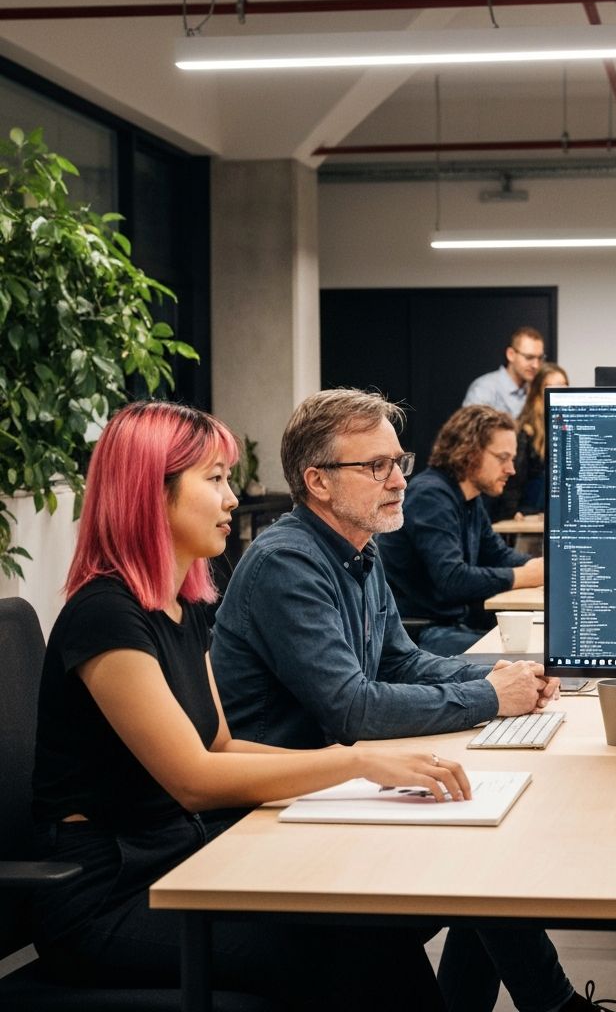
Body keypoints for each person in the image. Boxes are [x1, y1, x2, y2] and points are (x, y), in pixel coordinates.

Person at [30, 400, 472, 1008]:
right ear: (149, 494)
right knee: (361, 949)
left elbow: (222, 745)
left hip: (182, 863)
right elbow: (194, 779)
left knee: (373, 928)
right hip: (110, 896)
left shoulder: (181, 608)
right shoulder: (105, 615)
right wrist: (354, 763)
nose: (233, 499)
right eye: (214, 479)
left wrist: (362, 779)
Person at [212, 388, 610, 1012]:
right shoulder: (287, 562)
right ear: (317, 481)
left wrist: (499, 676)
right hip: (273, 814)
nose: (399, 479)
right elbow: (351, 709)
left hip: (333, 788)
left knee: (486, 852)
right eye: (377, 467)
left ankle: (551, 1006)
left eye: (399, 461)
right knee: (478, 857)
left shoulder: (357, 549)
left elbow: (401, 658)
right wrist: (486, 696)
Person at [377, 404, 544, 656]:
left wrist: (546, 568)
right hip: (421, 634)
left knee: (535, 650)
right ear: (471, 452)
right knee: (529, 659)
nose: (511, 469)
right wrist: (523, 576)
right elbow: (452, 580)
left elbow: (498, 554)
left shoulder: (468, 498)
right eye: (503, 458)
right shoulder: (430, 495)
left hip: (449, 626)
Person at [489, 361, 569, 523]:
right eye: (550, 386)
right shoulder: (525, 431)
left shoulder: (574, 425)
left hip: (560, 516)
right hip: (528, 517)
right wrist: (512, 512)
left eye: (562, 385)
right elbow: (512, 479)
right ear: (538, 393)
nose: (557, 391)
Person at [463, 326, 546, 417]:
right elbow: (470, 429)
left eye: (540, 358)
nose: (536, 365)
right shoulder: (485, 389)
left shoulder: (535, 391)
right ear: (511, 354)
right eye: (529, 357)